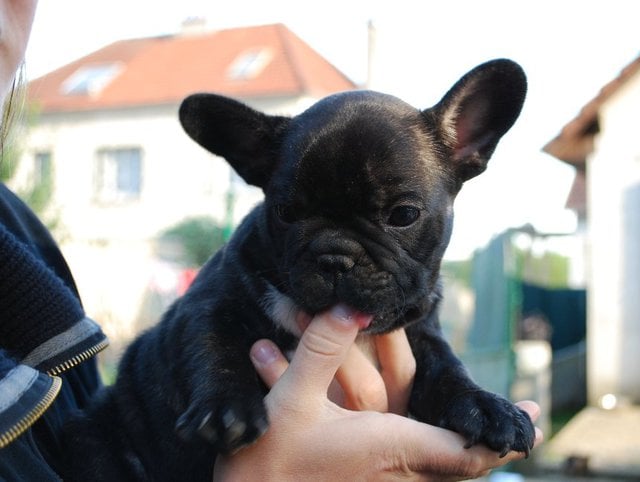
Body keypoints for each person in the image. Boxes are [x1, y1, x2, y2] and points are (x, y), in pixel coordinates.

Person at [0, 1, 542, 480]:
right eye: (291, 213)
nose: (339, 258)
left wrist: (460, 399)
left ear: (464, 151)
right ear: (258, 168)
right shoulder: (245, 270)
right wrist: (225, 397)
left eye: (399, 215)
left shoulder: (22, 241)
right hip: (130, 459)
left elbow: (425, 359)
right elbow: (205, 322)